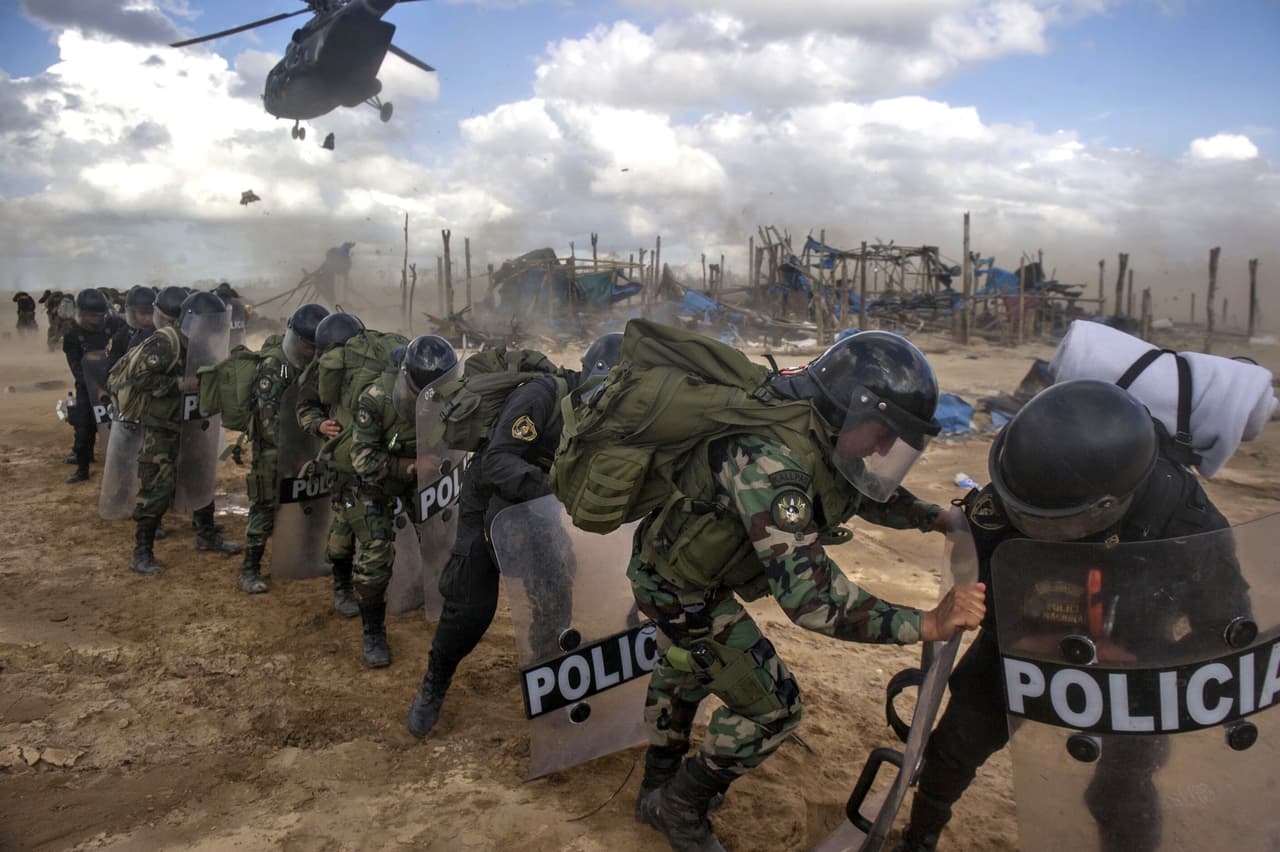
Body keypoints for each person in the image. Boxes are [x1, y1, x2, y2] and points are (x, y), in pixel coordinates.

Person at [625, 331, 988, 852]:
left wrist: (934, 516)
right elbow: (813, 601)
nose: (886, 447)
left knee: (685, 668)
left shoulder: (811, 422)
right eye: (883, 431)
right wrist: (925, 624)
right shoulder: (772, 464)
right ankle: (679, 806)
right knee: (775, 710)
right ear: (850, 407)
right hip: (678, 591)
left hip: (679, 575)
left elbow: (854, 486)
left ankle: (656, 792)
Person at [894, 380, 1241, 852]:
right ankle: (919, 836)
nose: (1025, 522)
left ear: (1107, 505)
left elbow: (1225, 627)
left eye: (1046, 519)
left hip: (1133, 656)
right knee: (955, 745)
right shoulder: (1020, 490)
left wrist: (1152, 668)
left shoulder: (1183, 518)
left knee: (1120, 788)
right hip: (1029, 635)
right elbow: (982, 577)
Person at [405, 333, 625, 735]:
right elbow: (497, 462)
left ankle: (549, 691)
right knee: (470, 608)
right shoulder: (541, 396)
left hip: (537, 506)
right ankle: (434, 683)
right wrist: (555, 493)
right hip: (489, 496)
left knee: (554, 596)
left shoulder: (602, 415)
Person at [348, 334, 457, 667]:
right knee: (375, 555)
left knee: (441, 537)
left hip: (418, 479)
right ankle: (373, 631)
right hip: (377, 481)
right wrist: (410, 466)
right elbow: (362, 458)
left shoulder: (445, 397)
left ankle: (443, 604)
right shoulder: (375, 398)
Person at [123, 291, 241, 576]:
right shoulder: (165, 342)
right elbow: (138, 379)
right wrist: (181, 383)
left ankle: (206, 534)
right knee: (157, 489)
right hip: (163, 427)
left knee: (201, 478)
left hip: (194, 423)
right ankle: (142, 551)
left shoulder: (204, 343)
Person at [238, 303, 330, 595]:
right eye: (304, 345)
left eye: (313, 346)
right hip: (273, 448)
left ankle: (309, 555)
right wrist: (292, 455)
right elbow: (269, 422)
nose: (308, 351)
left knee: (315, 498)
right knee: (266, 502)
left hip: (308, 442)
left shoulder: (316, 364)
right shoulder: (274, 367)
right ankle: (249, 568)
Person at [295, 311, 366, 618]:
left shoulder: (375, 363)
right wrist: (320, 425)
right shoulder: (321, 371)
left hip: (378, 454)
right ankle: (342, 585)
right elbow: (306, 407)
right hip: (343, 456)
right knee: (345, 522)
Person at [62, 288, 125, 484]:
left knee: (122, 424)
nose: (95, 320)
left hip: (117, 382)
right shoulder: (72, 336)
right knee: (84, 426)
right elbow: (76, 368)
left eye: (99, 316)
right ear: (79, 313)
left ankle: (123, 464)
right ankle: (82, 467)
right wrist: (94, 387)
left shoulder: (117, 325)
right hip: (87, 385)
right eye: (90, 316)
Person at [106, 286, 158, 369]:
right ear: (132, 313)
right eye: (143, 314)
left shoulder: (163, 333)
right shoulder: (121, 336)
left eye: (151, 313)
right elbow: (112, 367)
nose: (148, 318)